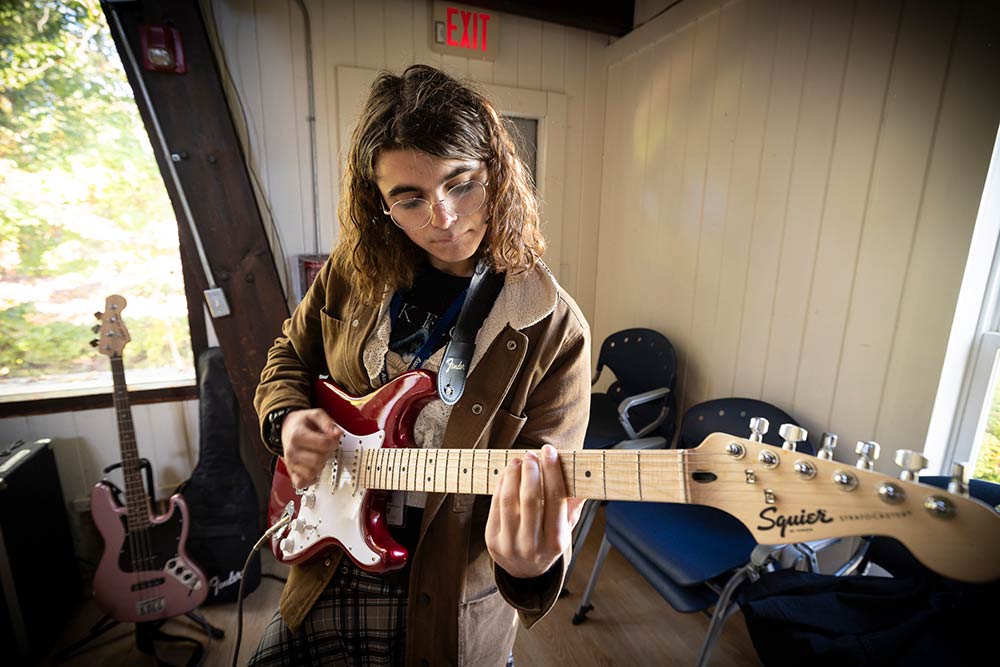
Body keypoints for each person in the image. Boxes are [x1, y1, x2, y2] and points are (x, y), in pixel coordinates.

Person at [251, 64, 591, 667]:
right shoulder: (348, 274)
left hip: (449, 599)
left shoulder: (554, 327)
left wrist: (531, 564)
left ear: (498, 173)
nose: (443, 217)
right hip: (325, 558)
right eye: (409, 198)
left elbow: (546, 493)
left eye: (461, 183)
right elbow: (289, 355)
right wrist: (287, 420)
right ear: (378, 204)